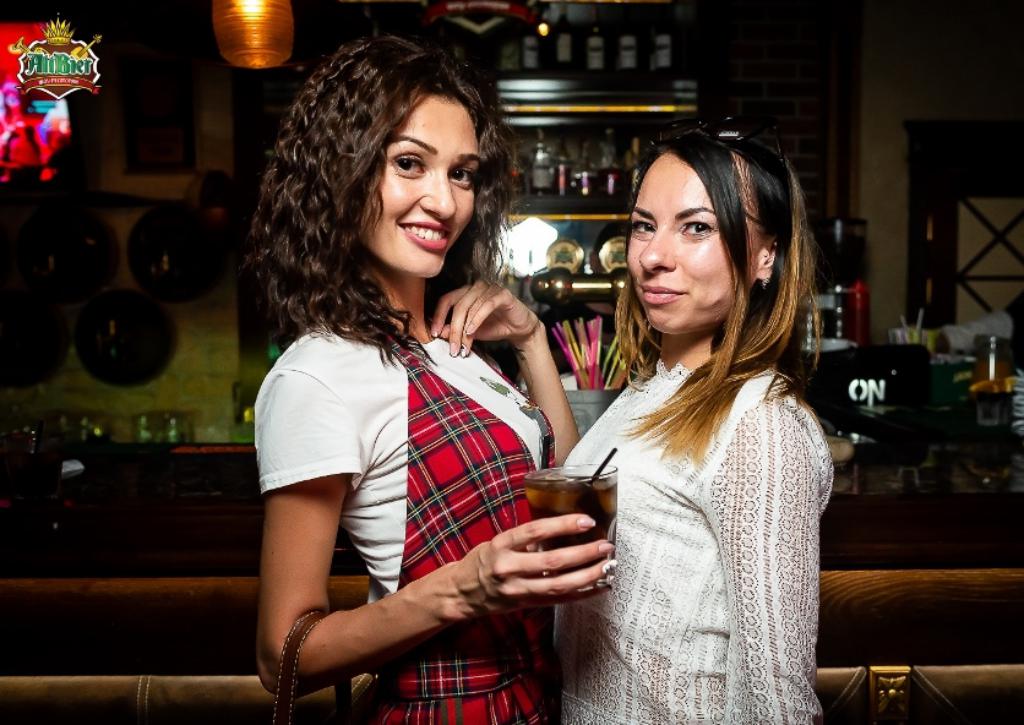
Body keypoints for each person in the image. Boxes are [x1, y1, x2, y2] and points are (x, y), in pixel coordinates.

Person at [247, 35, 612, 724]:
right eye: (409, 163)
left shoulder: (455, 346)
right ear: (344, 170)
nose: (443, 202)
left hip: (539, 697)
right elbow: (282, 654)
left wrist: (531, 340)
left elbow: (566, 484)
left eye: (463, 174)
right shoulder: (318, 375)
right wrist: (464, 588)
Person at [555, 118, 834, 723]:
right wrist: (531, 339)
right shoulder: (652, 388)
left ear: (765, 256)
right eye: (643, 226)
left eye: (697, 228)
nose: (653, 257)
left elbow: (779, 698)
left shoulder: (760, 424)